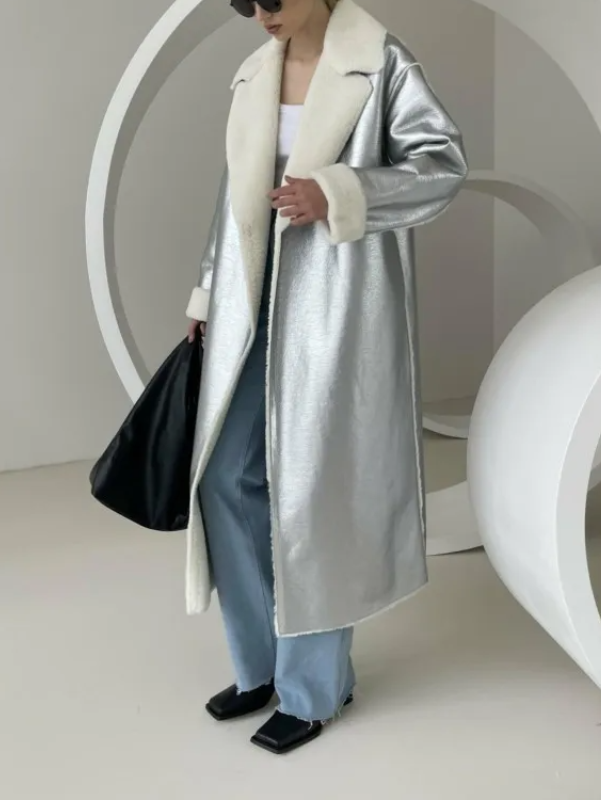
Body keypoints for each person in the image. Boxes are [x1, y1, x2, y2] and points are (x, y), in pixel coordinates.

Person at [184, 0, 468, 754]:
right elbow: (232, 191)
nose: (258, 14)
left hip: (333, 306)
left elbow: (442, 166)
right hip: (249, 300)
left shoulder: (382, 63)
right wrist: (208, 291)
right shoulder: (256, 72)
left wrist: (340, 192)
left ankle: (314, 689)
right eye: (242, 2)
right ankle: (260, 667)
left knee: (313, 494)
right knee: (222, 478)